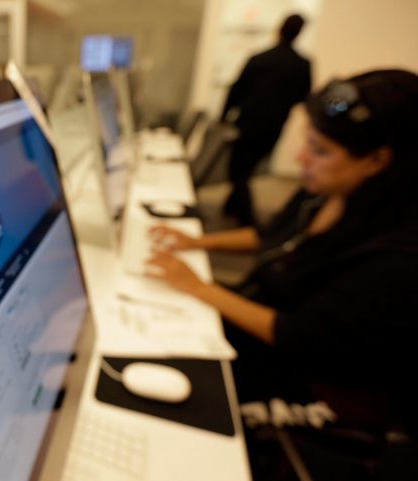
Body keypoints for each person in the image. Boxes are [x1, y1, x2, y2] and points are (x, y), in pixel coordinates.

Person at [147, 70, 418, 434]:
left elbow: (299, 336)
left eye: (320, 151)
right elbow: (270, 236)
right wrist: (197, 242)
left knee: (172, 410)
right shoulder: (325, 191)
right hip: (264, 332)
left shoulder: (396, 259)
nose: (301, 157)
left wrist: (201, 288)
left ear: (377, 161)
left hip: (315, 386)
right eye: (307, 141)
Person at [221, 14, 312, 225]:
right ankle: (231, 207)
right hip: (274, 125)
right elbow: (303, 96)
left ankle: (246, 218)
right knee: (247, 169)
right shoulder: (302, 64)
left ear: (279, 30)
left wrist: (224, 115)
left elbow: (237, 89)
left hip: (249, 123)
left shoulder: (261, 58)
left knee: (238, 170)